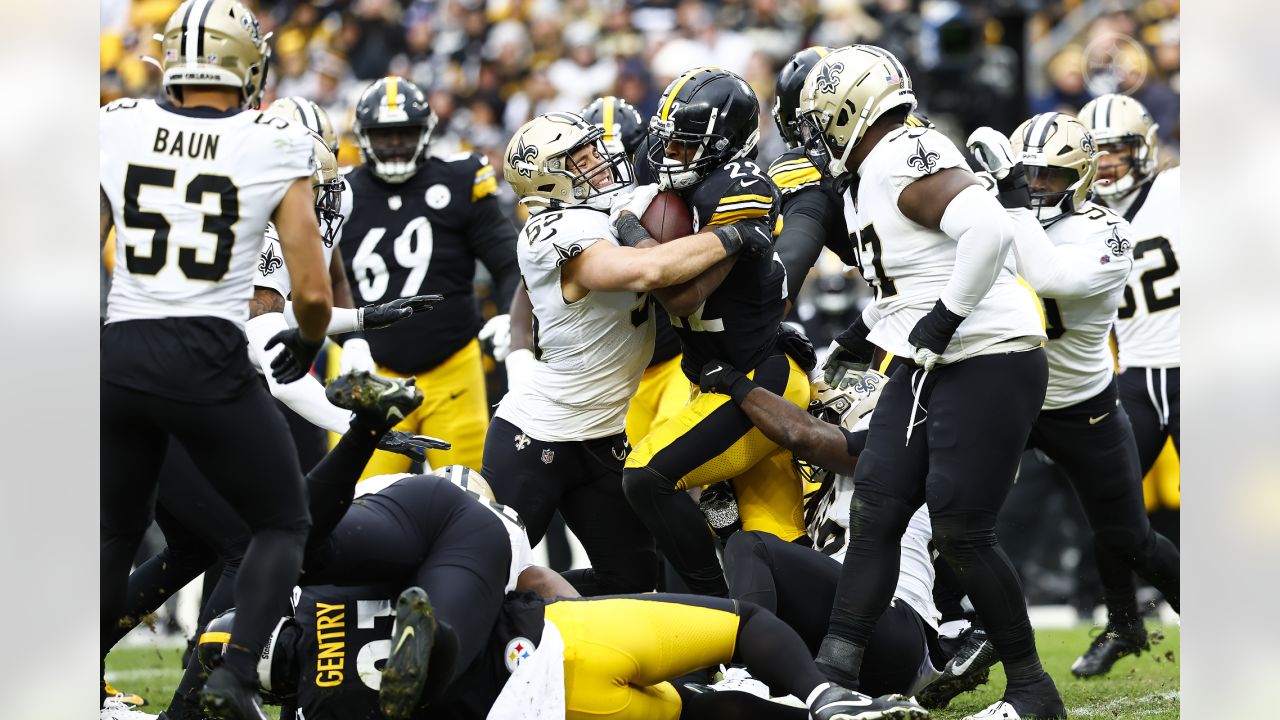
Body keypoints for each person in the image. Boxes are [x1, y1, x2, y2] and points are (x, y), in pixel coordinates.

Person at [797, 45, 1064, 720]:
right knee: (878, 507)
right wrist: (860, 338)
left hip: (989, 354)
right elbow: (909, 275)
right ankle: (836, 678)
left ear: (848, 110)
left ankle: (1035, 690)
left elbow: (986, 229)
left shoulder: (900, 154)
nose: (813, 134)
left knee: (961, 530)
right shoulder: (872, 172)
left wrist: (940, 324)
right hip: (934, 362)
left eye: (818, 118)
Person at [99, 2, 331, 717]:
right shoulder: (275, 141)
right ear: (246, 66)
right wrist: (311, 339)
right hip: (206, 355)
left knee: (113, 531)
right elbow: (312, 290)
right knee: (283, 522)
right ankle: (233, 674)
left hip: (121, 351)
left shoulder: (119, 123)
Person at [482, 111, 776, 596]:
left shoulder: (600, 208)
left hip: (602, 435)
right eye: (581, 157)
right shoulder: (551, 232)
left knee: (636, 581)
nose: (598, 161)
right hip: (538, 436)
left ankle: (562, 626)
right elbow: (648, 271)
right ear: (550, 180)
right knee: (494, 572)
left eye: (594, 150)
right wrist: (734, 233)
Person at [623, 68, 814, 598]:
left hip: (760, 378)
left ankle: (711, 608)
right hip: (719, 378)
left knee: (646, 475)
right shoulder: (669, 177)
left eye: (687, 146)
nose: (671, 156)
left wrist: (632, 233)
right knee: (773, 540)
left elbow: (682, 296)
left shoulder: (743, 186)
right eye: (670, 142)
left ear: (726, 143)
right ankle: (789, 660)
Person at [698, 365, 945, 699]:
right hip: (852, 643)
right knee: (739, 557)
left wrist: (734, 382)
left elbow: (804, 436)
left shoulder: (900, 440)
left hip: (893, 626)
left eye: (827, 416)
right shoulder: (829, 495)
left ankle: (746, 672)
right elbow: (793, 581)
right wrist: (727, 530)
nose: (821, 421)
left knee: (750, 545)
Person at [339, 75, 520, 476]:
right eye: (384, 135)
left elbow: (510, 262)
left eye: (406, 133)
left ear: (426, 133)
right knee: (359, 511)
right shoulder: (342, 193)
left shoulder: (458, 180)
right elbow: (320, 282)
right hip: (370, 372)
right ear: (363, 137)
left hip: (453, 367)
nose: (396, 143)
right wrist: (349, 340)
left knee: (470, 498)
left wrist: (509, 314)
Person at [1078, 93, 1182, 676]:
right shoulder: (1084, 215)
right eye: (1099, 153)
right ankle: (1124, 623)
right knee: (1108, 505)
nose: (1109, 162)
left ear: (1144, 150)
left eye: (1119, 149)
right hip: (1135, 373)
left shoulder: (1180, 191)